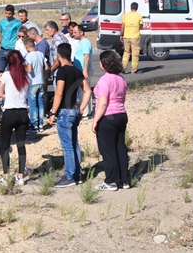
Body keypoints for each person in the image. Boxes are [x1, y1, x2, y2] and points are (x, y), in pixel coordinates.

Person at [48, 43, 91, 188]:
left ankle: (69, 176)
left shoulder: (62, 72)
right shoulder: (77, 71)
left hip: (65, 112)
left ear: (58, 55)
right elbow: (88, 91)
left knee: (67, 147)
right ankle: (77, 174)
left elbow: (59, 93)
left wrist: (52, 113)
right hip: (74, 111)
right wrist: (81, 108)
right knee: (74, 144)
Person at [91, 50, 130, 191]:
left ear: (103, 64)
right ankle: (123, 179)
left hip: (108, 116)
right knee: (120, 147)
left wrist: (95, 120)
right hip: (121, 114)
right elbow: (123, 98)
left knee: (107, 150)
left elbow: (102, 103)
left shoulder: (105, 80)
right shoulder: (121, 79)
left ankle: (111, 181)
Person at [0, 50, 32, 185]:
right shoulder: (28, 77)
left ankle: (6, 176)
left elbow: (0, 93)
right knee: (21, 145)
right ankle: (20, 176)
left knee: (5, 145)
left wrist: (5, 95)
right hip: (23, 113)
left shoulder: (6, 75)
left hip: (9, 112)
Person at [24, 37, 47, 133]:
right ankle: (41, 124)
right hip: (41, 81)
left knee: (32, 104)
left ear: (27, 46)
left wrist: (23, 67)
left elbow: (29, 70)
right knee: (40, 104)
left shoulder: (29, 56)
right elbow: (46, 67)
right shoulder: (40, 54)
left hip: (33, 82)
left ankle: (34, 125)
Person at [0, 5, 22, 74]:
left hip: (12, 50)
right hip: (3, 49)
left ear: (13, 14)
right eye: (6, 13)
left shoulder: (18, 23)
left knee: (11, 71)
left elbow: (19, 37)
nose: (7, 15)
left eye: (9, 13)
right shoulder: (2, 22)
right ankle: (0, 84)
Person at [72, 23, 94, 118]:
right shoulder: (82, 42)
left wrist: (84, 70)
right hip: (80, 69)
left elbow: (87, 56)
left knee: (84, 91)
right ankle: (87, 111)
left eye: (75, 32)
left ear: (81, 32)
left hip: (83, 70)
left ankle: (85, 112)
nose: (74, 34)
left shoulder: (85, 42)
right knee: (84, 91)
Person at [121, 2, 143, 74]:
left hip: (126, 36)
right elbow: (141, 26)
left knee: (126, 52)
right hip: (135, 37)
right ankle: (134, 70)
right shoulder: (139, 16)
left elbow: (122, 26)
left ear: (131, 7)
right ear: (137, 8)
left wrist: (121, 35)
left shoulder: (126, 15)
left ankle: (123, 68)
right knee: (135, 53)